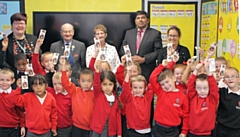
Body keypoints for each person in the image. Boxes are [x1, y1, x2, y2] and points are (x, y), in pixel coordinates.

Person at [149, 56, 189, 137]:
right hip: (158, 129)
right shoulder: (161, 92)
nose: (166, 86)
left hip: (173, 130)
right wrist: (161, 66)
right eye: (162, 84)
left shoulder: (183, 97)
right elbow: (152, 78)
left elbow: (186, 115)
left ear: (173, 78)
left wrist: (184, 131)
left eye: (167, 82)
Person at [119, 10, 162, 82]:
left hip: (147, 70)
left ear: (148, 20)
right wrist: (130, 58)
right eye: (138, 18)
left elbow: (158, 52)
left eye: (143, 18)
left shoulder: (155, 34)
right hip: (131, 70)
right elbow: (122, 49)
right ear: (135, 21)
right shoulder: (129, 33)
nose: (140, 20)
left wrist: (144, 59)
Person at [59, 56, 94, 137]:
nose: (86, 84)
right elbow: (65, 83)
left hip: (90, 128)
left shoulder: (95, 94)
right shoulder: (75, 91)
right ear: (78, 81)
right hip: (76, 127)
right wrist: (63, 68)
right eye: (83, 81)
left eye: (89, 81)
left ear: (93, 82)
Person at [187, 59, 219, 137]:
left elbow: (214, 87)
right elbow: (190, 85)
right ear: (195, 88)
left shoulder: (212, 99)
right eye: (199, 88)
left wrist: (208, 70)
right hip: (192, 133)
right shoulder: (193, 98)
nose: (202, 91)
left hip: (206, 134)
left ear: (209, 88)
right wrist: (196, 70)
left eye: (205, 88)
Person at [121, 67, 153, 137]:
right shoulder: (130, 98)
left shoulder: (147, 98)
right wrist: (128, 75)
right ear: (131, 88)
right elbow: (125, 88)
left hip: (146, 130)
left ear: (145, 88)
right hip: (132, 130)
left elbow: (153, 81)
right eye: (135, 88)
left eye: (141, 88)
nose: (138, 90)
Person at [89, 69, 121, 137]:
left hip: (110, 131)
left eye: (110, 84)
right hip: (98, 129)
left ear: (114, 85)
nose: (107, 87)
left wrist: (119, 133)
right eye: (104, 84)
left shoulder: (116, 99)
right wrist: (97, 72)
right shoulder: (98, 95)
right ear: (101, 84)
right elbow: (96, 84)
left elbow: (118, 118)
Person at [0, 68, 25, 137]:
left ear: (13, 81)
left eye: (7, 80)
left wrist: (22, 126)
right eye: (1, 80)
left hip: (14, 128)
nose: (4, 82)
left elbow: (20, 111)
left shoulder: (15, 94)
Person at [216, 67, 240, 137]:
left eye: (233, 76)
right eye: (227, 77)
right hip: (221, 130)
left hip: (237, 131)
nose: (230, 78)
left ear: (238, 79)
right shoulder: (222, 92)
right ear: (223, 80)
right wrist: (215, 80)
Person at [48, 72, 72, 137]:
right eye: (55, 84)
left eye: (60, 84)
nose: (57, 86)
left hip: (66, 127)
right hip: (52, 126)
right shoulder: (51, 92)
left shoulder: (70, 96)